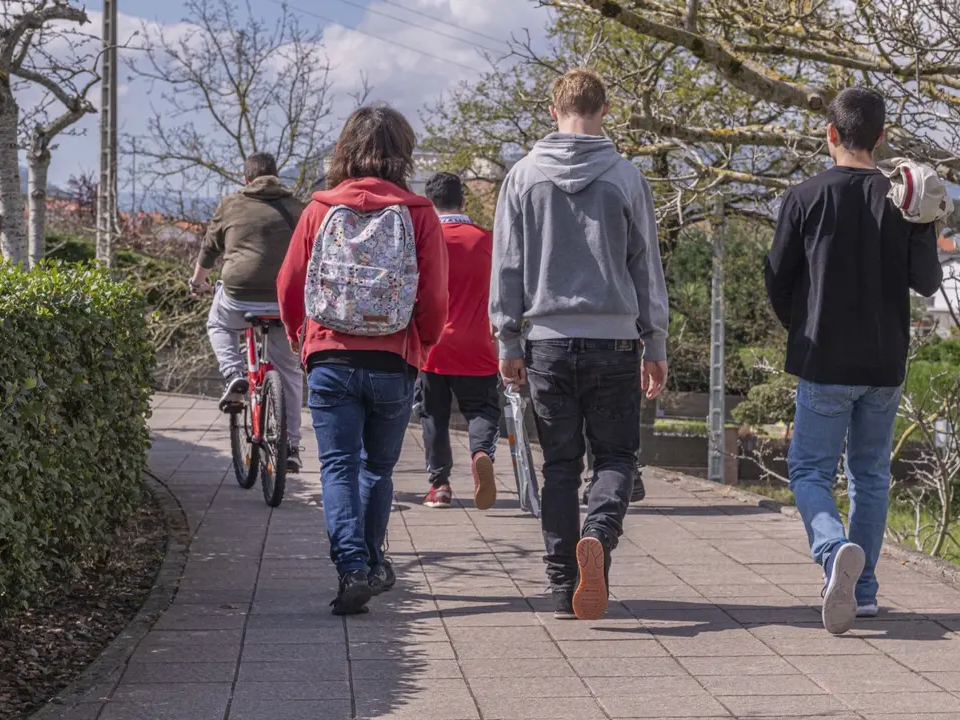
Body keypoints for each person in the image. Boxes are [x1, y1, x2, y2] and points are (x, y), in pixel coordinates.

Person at [491, 68, 669, 621]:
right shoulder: (626, 178)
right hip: (615, 340)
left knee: (561, 466)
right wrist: (655, 341)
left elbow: (508, 267)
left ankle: (560, 582)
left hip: (545, 341)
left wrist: (507, 339)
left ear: (552, 110)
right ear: (605, 109)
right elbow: (645, 266)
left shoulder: (521, 178)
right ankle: (599, 533)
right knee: (616, 455)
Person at [765, 87, 943, 635]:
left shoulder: (804, 196)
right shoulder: (906, 200)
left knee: (808, 469)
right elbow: (928, 282)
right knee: (870, 476)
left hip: (823, 358)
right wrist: (926, 228)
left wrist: (801, 322)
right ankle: (862, 591)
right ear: (882, 137)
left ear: (831, 134)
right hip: (884, 361)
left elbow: (778, 278)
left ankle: (833, 548)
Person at [277, 104, 448, 615]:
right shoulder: (418, 213)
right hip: (394, 359)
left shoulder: (318, 209)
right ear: (403, 154)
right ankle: (372, 562)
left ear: (344, 150)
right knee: (378, 467)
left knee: (337, 466)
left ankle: (352, 565)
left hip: (329, 356)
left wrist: (298, 334)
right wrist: (421, 341)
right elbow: (436, 298)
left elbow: (289, 283)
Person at [189, 152, 307, 472]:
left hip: (240, 296)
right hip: (285, 301)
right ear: (277, 177)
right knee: (290, 371)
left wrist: (197, 282)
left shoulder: (231, 204)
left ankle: (234, 375)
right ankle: (292, 446)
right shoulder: (300, 207)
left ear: (245, 179)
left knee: (219, 324)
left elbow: (210, 248)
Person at [416, 172, 501, 511]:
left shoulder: (423, 242)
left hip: (431, 345)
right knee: (482, 409)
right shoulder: (487, 241)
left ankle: (439, 486)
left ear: (429, 203)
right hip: (477, 344)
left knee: (433, 415)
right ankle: (481, 452)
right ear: (463, 201)